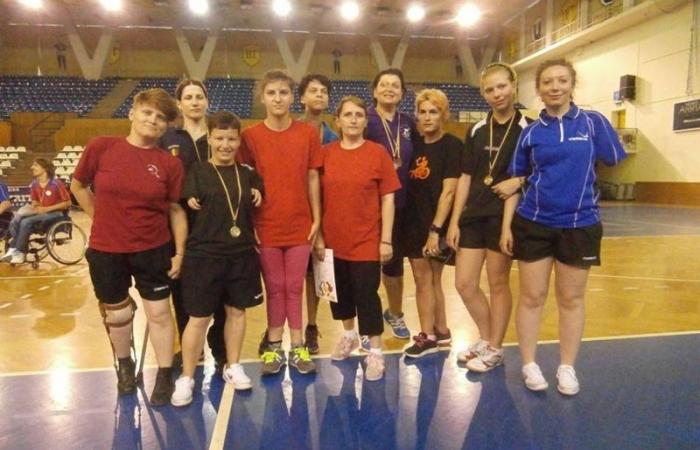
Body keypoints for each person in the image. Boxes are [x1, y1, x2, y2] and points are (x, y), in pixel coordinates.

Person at [504, 59, 626, 395]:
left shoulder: (593, 122)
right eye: (547, 82)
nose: (555, 87)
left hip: (580, 224)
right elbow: (518, 176)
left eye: (562, 80)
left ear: (572, 85)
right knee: (532, 297)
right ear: (538, 89)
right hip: (534, 223)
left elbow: (614, 158)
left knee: (571, 299)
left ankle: (567, 367)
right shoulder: (530, 132)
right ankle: (529, 364)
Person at [71, 88, 187, 405]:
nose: (153, 120)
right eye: (148, 112)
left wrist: (179, 252)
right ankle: (124, 364)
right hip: (107, 250)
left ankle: (165, 372)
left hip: (153, 248)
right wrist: (99, 217)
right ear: (132, 113)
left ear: (166, 126)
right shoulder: (101, 147)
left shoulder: (169, 164)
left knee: (159, 313)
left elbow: (175, 210)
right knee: (118, 313)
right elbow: (78, 186)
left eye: (161, 118)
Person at [171, 111, 264, 406]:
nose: (226, 145)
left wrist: (257, 191)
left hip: (241, 255)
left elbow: (258, 197)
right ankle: (187, 377)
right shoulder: (197, 172)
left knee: (237, 313)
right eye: (220, 138)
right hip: (204, 257)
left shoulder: (248, 174)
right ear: (209, 139)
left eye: (232, 139)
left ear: (239, 141)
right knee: (198, 318)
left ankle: (233, 365)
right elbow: (183, 207)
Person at [446, 63, 531, 372]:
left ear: (514, 85)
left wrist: (518, 184)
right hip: (473, 216)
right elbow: (466, 176)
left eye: (502, 86)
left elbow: (536, 171)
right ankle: (485, 337)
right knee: (464, 283)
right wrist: (455, 220)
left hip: (503, 217)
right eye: (490, 89)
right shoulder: (477, 129)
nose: (497, 94)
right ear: (483, 94)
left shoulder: (529, 128)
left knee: (498, 283)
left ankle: (495, 347)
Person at [239, 69, 322, 376]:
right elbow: (243, 182)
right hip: (265, 226)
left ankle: (298, 346)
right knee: (274, 287)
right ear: (262, 97)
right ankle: (274, 345)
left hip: (300, 225)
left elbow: (313, 177)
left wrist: (317, 218)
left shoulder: (307, 134)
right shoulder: (250, 137)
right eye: (271, 93)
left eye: (283, 93)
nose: (277, 98)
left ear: (292, 98)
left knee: (295, 286)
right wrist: (250, 223)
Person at [314, 96, 400, 381]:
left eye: (359, 115)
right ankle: (349, 336)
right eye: (347, 115)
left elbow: (388, 199)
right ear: (337, 121)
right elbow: (315, 196)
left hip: (366, 240)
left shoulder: (377, 153)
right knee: (339, 296)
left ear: (365, 121)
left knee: (366, 295)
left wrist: (385, 240)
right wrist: (319, 236)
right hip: (332, 240)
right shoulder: (325, 153)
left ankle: (375, 351)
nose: (353, 119)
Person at [159, 79, 227, 372]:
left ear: (207, 101)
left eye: (200, 96)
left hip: (216, 223)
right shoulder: (167, 138)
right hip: (178, 222)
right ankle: (192, 348)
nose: (195, 101)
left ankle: (220, 347)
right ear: (179, 104)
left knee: (221, 288)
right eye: (189, 97)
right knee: (182, 288)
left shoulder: (218, 135)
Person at [401, 89, 461, 358]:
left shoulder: (452, 145)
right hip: (412, 222)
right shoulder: (413, 145)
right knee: (430, 279)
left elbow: (449, 191)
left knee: (424, 279)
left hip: (435, 225)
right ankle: (442, 330)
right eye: (422, 112)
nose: (427, 117)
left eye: (433, 112)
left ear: (443, 115)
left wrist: (435, 231)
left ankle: (427, 337)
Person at [365, 67, 418, 342]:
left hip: (400, 205)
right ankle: (366, 321)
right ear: (374, 91)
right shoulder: (365, 120)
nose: (389, 89)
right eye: (383, 84)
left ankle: (395, 313)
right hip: (367, 207)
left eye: (395, 85)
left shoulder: (408, 123)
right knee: (365, 267)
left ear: (402, 93)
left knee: (394, 264)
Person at [298, 73, 339, 354]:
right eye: (313, 90)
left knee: (315, 275)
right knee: (288, 279)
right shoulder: (291, 131)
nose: (319, 95)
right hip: (293, 211)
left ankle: (311, 326)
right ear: (302, 97)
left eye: (324, 91)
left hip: (323, 212)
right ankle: (279, 328)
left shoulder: (333, 137)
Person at [1, 159, 71, 264]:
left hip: (56, 214)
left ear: (45, 168)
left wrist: (47, 209)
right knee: (16, 219)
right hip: (41, 213)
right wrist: (35, 205)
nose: (32, 167)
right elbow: (35, 200)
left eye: (35, 165)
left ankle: (19, 251)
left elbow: (67, 203)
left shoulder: (56, 184)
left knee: (26, 222)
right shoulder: (34, 184)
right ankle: (15, 249)